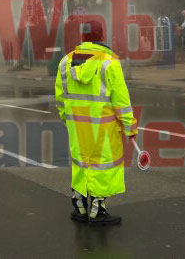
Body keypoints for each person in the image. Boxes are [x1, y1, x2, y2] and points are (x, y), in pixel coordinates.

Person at [55, 20, 137, 226]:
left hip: (77, 126)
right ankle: (97, 211)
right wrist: (129, 127)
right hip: (104, 128)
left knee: (81, 163)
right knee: (103, 167)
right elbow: (121, 101)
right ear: (102, 36)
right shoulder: (110, 62)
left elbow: (60, 98)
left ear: (82, 37)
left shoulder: (65, 62)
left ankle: (80, 207)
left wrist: (68, 120)